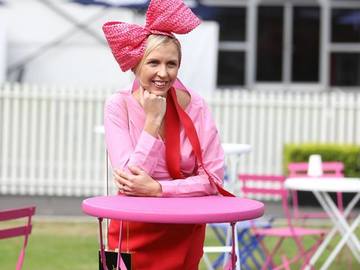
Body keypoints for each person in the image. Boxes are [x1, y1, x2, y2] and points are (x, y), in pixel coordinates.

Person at [102, 0, 232, 269]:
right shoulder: (119, 105)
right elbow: (130, 180)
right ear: (137, 66)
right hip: (132, 228)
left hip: (184, 228)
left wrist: (160, 189)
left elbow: (212, 178)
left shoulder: (196, 106)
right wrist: (152, 122)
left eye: (171, 64)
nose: (163, 73)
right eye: (153, 63)